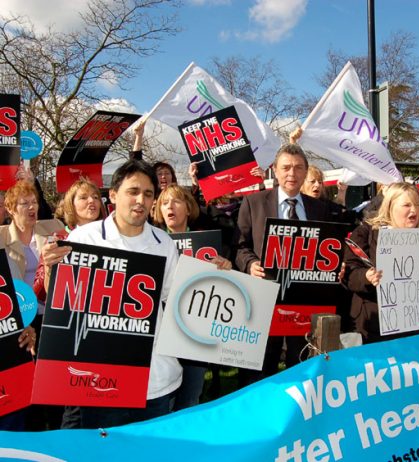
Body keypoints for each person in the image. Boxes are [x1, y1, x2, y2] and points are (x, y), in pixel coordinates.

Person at [42, 160, 182, 428]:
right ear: (114, 195)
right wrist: (51, 269)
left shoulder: (163, 242)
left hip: (155, 382)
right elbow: (59, 300)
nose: (141, 200)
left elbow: (176, 298)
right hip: (102, 384)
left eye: (148, 193)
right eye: (133, 191)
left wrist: (213, 274)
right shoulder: (83, 238)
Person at [235, 143, 331, 383]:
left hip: (305, 301)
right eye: (286, 167)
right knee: (260, 371)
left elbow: (326, 248)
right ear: (274, 171)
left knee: (301, 369)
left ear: (306, 172)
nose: (292, 173)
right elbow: (239, 245)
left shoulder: (319, 208)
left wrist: (332, 266)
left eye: (299, 168)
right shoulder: (253, 203)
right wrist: (250, 264)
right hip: (264, 300)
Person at [153, 184, 231, 410]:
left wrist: (225, 268)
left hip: (194, 333)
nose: (170, 207)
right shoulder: (152, 243)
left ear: (188, 208)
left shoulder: (206, 243)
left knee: (189, 400)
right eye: (164, 203)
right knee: (161, 404)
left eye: (176, 201)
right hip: (160, 333)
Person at [0, 180, 63, 430]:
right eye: (24, 203)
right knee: (28, 385)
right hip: (19, 322)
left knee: (54, 382)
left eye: (34, 202)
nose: (31, 207)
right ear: (11, 208)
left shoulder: (53, 229)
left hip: (50, 315)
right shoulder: (2, 236)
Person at [343, 182, 419, 343]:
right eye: (406, 205)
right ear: (390, 207)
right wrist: (366, 277)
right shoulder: (366, 232)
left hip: (414, 328)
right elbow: (349, 271)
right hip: (374, 326)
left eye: (417, 204)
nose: (414, 210)